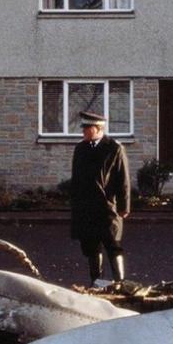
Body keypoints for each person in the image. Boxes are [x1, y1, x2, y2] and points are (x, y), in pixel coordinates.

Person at [70, 111, 131, 285]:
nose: (83, 132)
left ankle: (120, 283)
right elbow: (76, 179)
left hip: (107, 207)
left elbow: (123, 178)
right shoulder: (80, 148)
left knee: (113, 245)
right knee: (91, 246)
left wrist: (124, 206)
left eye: (86, 128)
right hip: (86, 208)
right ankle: (96, 283)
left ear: (97, 128)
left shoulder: (114, 148)